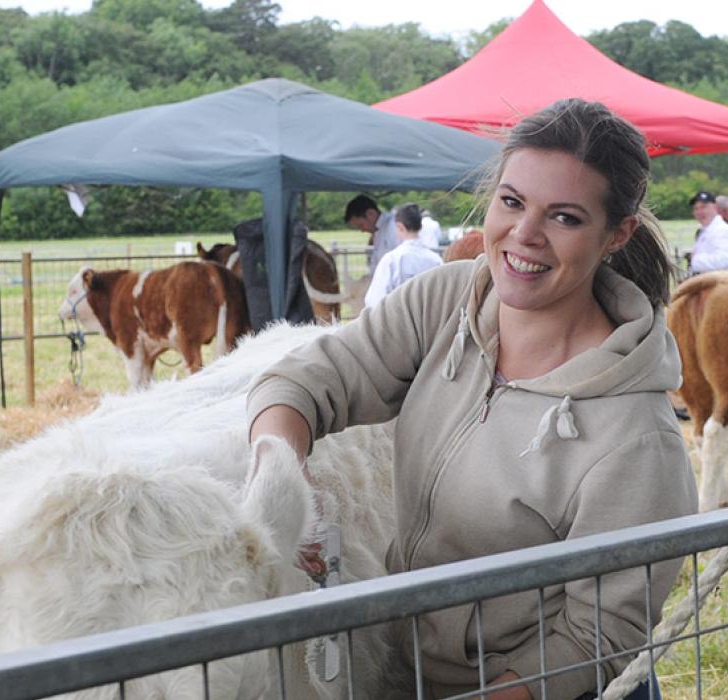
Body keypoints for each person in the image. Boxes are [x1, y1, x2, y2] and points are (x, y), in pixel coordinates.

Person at [247, 99, 696, 700]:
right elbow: (307, 381)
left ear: (617, 234)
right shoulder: (445, 302)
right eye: (511, 202)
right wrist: (282, 475)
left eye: (564, 217)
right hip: (410, 672)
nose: (524, 235)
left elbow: (597, 636)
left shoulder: (637, 437)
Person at [362, 203, 443, 308]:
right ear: (421, 226)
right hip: (429, 318)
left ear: (400, 226)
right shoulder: (436, 260)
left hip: (399, 318)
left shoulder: (391, 259)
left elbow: (374, 300)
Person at [689, 190, 728, 274]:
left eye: (704, 207)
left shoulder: (722, 230)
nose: (700, 212)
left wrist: (694, 260)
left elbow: (723, 260)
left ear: (715, 208)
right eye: (696, 208)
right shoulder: (705, 229)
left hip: (727, 283)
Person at [344, 194, 399, 274]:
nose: (362, 230)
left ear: (371, 214)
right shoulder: (377, 232)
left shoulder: (394, 227)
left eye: (361, 225)